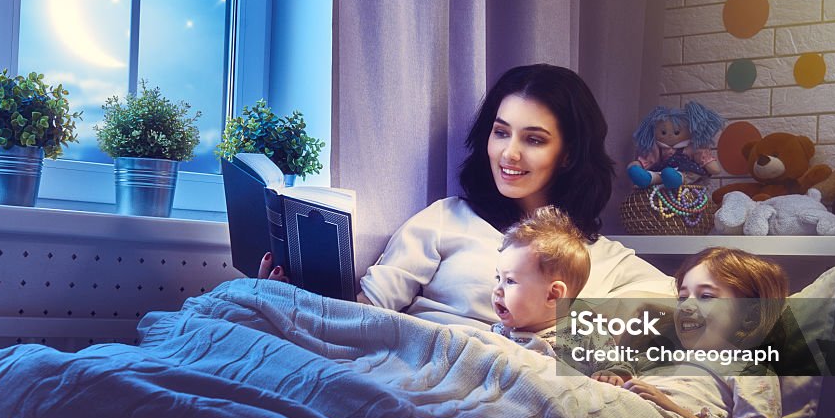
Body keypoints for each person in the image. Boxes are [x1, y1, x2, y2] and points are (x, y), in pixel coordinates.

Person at [261, 63, 674, 328]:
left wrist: (566, 345)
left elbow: (721, 331)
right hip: (412, 373)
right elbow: (364, 312)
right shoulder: (446, 219)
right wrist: (281, 300)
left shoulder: (604, 258)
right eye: (500, 132)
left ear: (567, 156)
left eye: (533, 139)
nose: (509, 153)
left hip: (518, 395)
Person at [592, 247, 787, 418]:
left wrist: (678, 413)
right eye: (682, 297)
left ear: (749, 316)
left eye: (706, 296)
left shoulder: (749, 370)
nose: (685, 307)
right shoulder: (657, 358)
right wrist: (614, 381)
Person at [490, 205, 590, 357]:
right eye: (499, 278)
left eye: (510, 281)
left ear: (552, 295)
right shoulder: (498, 333)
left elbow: (614, 367)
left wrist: (612, 373)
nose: (497, 290)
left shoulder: (581, 339)